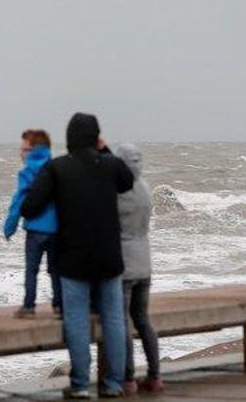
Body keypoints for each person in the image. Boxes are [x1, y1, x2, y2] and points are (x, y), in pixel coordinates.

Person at [21, 113, 134, 399]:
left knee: (76, 320)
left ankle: (81, 384)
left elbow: (30, 206)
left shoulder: (58, 168)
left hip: (72, 259)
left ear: (69, 138)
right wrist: (104, 149)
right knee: (113, 320)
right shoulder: (110, 165)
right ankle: (113, 383)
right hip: (109, 258)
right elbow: (127, 181)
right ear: (96, 138)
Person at [115, 143, 163, 395]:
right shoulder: (144, 189)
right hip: (145, 264)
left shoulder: (116, 192)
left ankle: (128, 378)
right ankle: (155, 375)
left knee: (123, 323)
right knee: (143, 321)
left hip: (124, 267)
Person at [3, 129, 61, 318]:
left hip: (35, 229)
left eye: (24, 149)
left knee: (31, 270)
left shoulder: (27, 172)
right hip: (56, 230)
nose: (21, 153)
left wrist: (10, 227)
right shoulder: (56, 168)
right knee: (55, 270)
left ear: (34, 150)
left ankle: (29, 307)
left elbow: (18, 202)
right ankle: (59, 306)